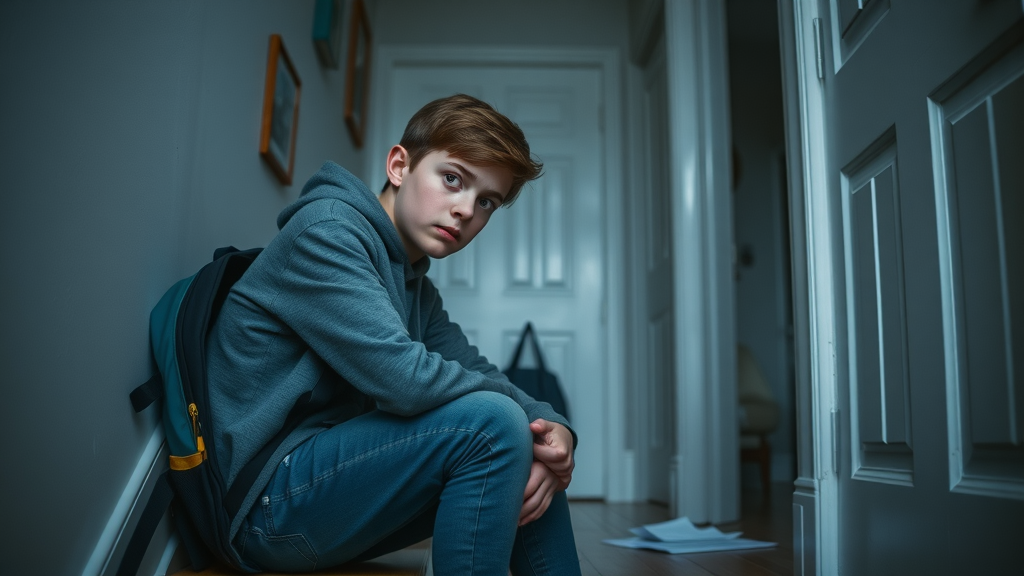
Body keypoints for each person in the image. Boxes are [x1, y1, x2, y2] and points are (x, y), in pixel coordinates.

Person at [206, 93, 582, 575]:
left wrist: (551, 425)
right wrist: (518, 417)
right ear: (400, 166)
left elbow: (474, 369)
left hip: (325, 489)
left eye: (486, 201)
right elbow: (403, 379)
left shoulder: (414, 284)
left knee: (527, 451)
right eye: (453, 179)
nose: (466, 210)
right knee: (493, 424)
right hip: (264, 508)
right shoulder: (325, 234)